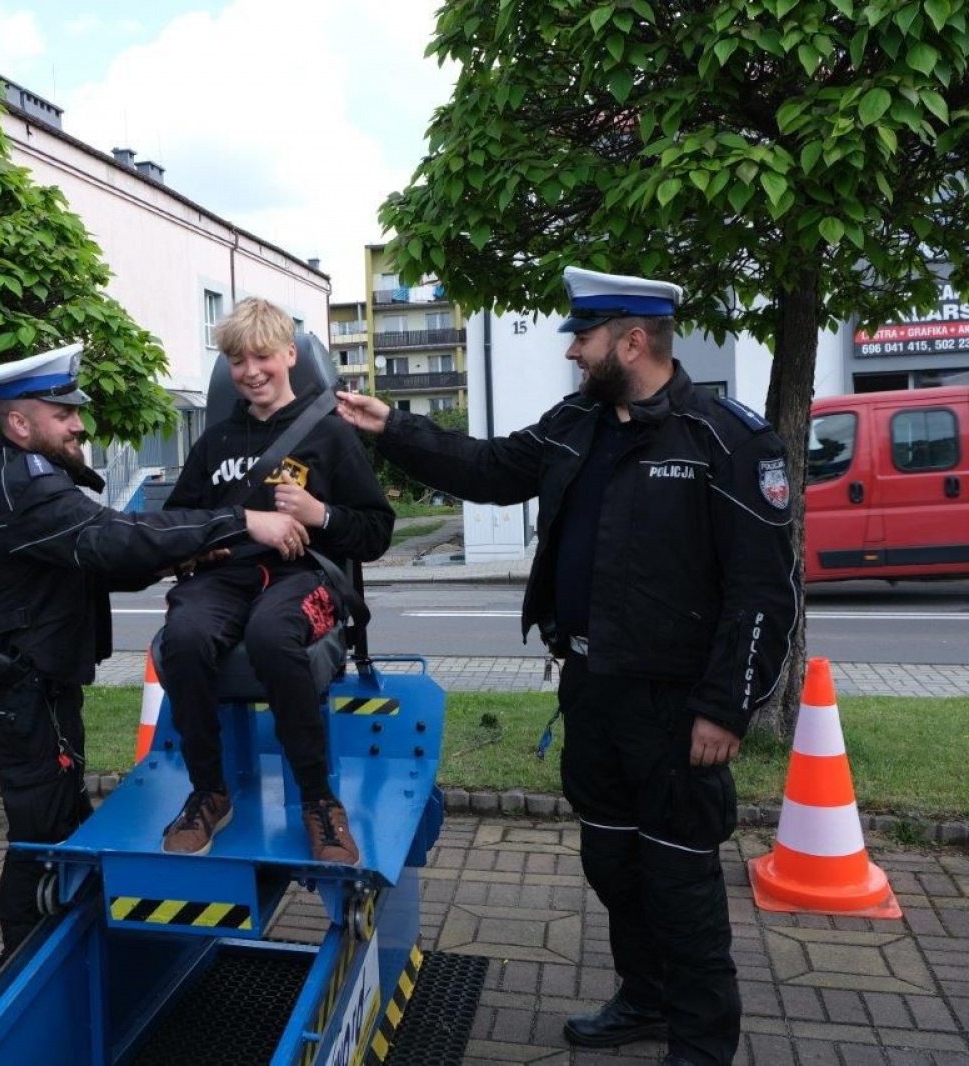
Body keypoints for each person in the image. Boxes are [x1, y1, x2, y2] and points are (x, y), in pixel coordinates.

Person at [336, 267, 798, 1066]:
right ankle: (644, 997)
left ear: (632, 339)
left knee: (681, 883)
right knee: (613, 862)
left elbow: (764, 591)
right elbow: (491, 468)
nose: (574, 353)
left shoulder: (727, 438)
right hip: (593, 689)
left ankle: (701, 1040)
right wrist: (394, 429)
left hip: (678, 705)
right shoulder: (577, 421)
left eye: (583, 338)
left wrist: (727, 708)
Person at [0, 341, 308, 964]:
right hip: (21, 699)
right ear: (18, 422)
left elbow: (95, 562)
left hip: (31, 691)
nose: (78, 423)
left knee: (61, 822)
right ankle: (22, 972)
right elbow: (112, 539)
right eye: (62, 414)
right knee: (40, 839)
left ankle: (60, 955)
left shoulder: (22, 482)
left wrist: (183, 554)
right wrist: (239, 523)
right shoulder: (26, 488)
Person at [156, 298, 394, 864]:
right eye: (236, 361)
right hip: (226, 576)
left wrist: (321, 516)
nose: (250, 371)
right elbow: (175, 523)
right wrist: (223, 533)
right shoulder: (214, 442)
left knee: (271, 635)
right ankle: (210, 791)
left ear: (290, 354)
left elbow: (377, 531)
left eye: (262, 355)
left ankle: (317, 799)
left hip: (304, 577)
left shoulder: (331, 435)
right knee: (183, 637)